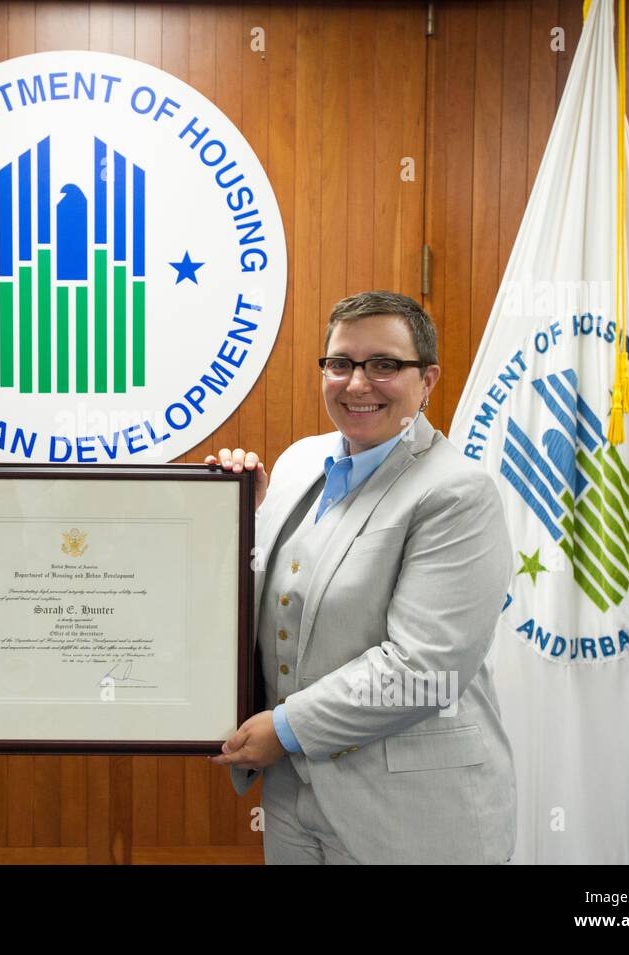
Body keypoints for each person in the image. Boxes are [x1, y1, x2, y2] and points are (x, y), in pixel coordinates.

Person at [209, 290, 516, 864]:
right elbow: (276, 610)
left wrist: (283, 730)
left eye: (384, 365)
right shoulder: (303, 462)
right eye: (341, 363)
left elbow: (426, 667)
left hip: (414, 814)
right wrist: (234, 517)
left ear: (427, 379)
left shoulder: (457, 492)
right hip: (293, 804)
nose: (356, 383)